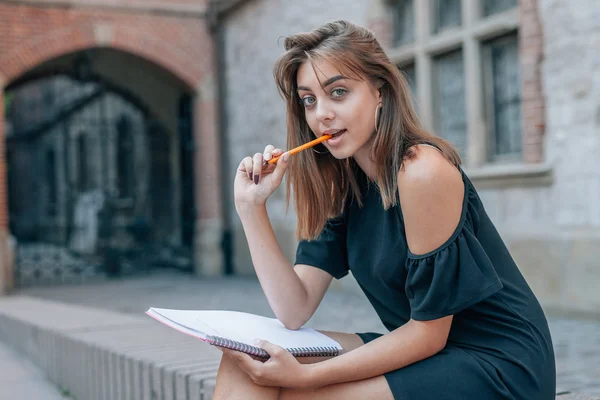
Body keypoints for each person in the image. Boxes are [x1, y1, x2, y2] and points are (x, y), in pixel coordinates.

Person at [213, 20, 556, 400]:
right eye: (309, 99)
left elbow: (429, 332)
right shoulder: (343, 184)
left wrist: (308, 378)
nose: (320, 114)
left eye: (338, 92)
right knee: (247, 359)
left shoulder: (422, 170)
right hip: (427, 354)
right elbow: (294, 310)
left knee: (298, 397)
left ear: (380, 91)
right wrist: (250, 207)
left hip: (495, 363)